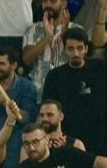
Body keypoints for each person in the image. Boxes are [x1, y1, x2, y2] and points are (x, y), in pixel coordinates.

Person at [41, 28, 106, 156]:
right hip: (69, 141)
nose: (76, 53)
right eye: (71, 49)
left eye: (80, 48)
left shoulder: (100, 68)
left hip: (101, 139)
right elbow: (47, 110)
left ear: (86, 49)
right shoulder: (55, 76)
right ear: (64, 49)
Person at [21, 0, 71, 91]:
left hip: (66, 89)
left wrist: (65, 33)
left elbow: (79, 59)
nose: (48, 5)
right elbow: (26, 59)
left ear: (63, 4)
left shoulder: (75, 29)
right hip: (39, 90)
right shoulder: (33, 29)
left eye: (53, 1)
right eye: (45, 1)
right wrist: (47, 37)